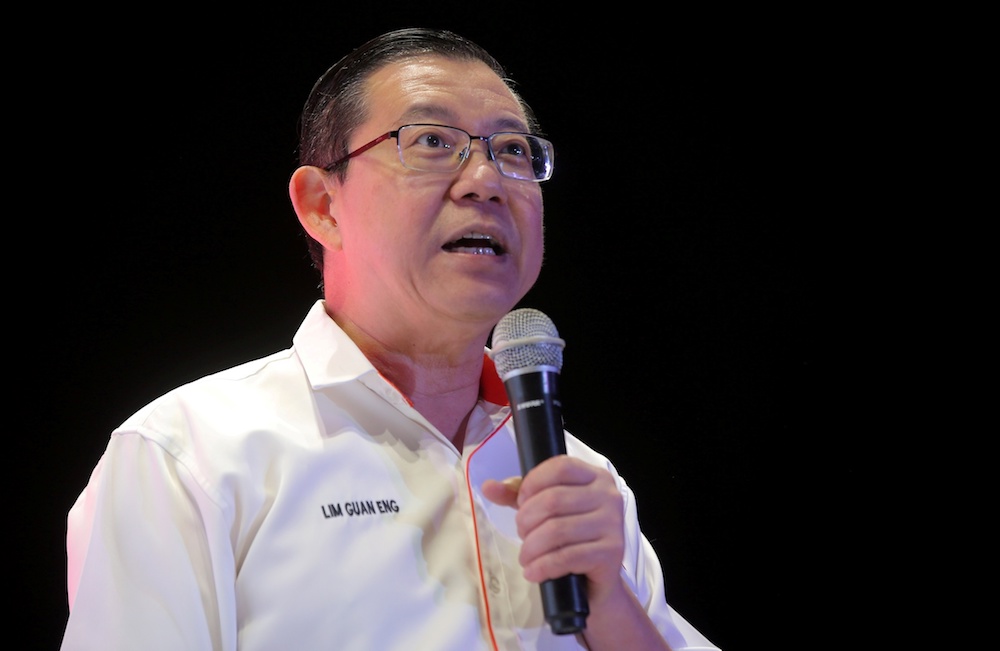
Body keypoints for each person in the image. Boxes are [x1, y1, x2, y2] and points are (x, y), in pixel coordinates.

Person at [60, 27, 721, 651]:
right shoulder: (190, 455)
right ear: (322, 204)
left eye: (513, 150)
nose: (486, 180)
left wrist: (613, 608)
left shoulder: (582, 482)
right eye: (432, 141)